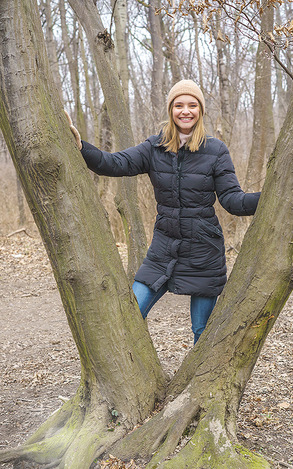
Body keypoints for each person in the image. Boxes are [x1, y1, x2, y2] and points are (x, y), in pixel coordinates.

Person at [66, 80, 260, 344]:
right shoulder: (154, 147)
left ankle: (197, 385)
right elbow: (113, 163)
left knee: (201, 331)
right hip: (163, 248)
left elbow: (232, 200)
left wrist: (268, 198)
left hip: (203, 251)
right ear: (171, 110)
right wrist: (81, 147)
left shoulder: (216, 151)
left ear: (200, 110)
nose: (185, 111)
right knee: (130, 313)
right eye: (179, 105)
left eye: (192, 105)